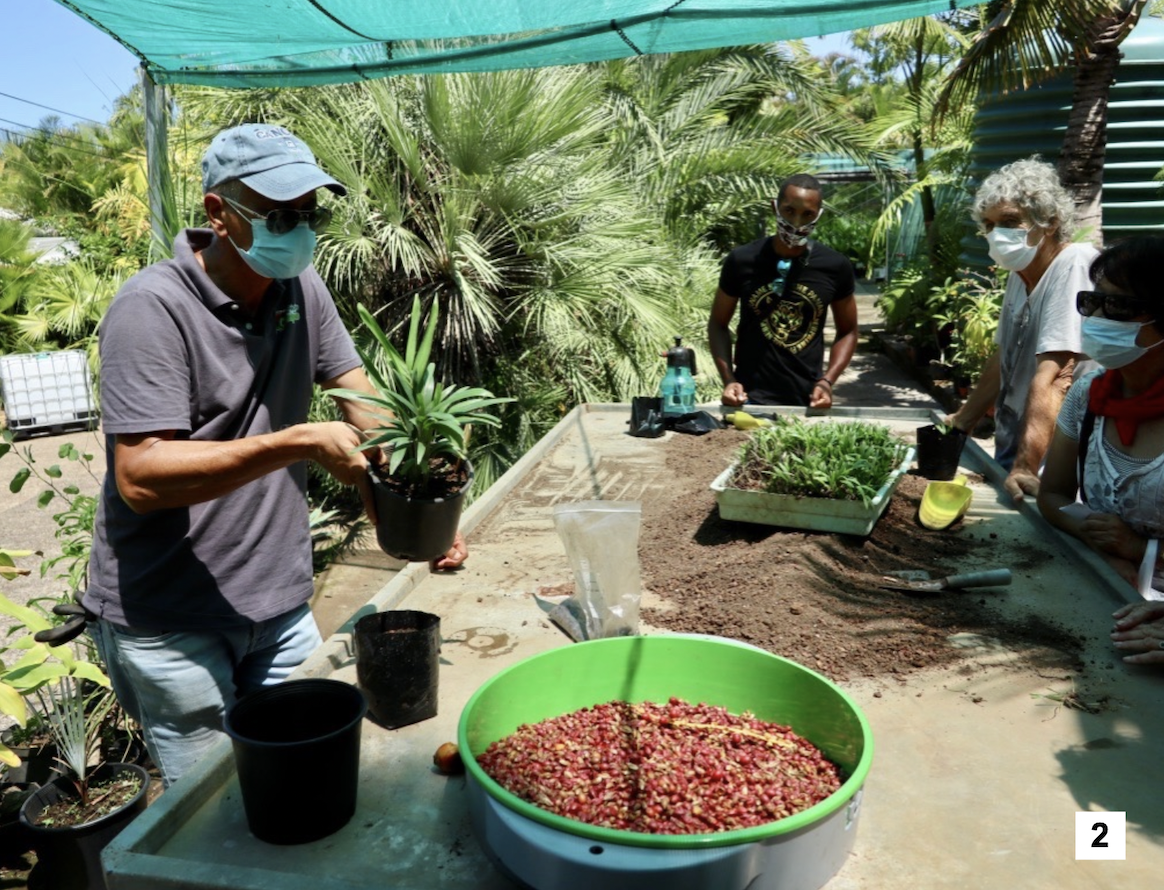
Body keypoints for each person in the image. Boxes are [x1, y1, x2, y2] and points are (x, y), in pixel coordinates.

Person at [81, 123, 466, 787]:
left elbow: (356, 392)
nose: (299, 231)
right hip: (173, 623)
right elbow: (140, 478)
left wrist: (409, 492)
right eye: (280, 214)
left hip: (279, 603)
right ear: (218, 214)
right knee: (217, 805)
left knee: (309, 775)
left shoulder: (299, 289)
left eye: (309, 214)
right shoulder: (151, 309)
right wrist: (297, 442)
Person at [1036, 235, 1164, 665]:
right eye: (1092, 303)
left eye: (1120, 307)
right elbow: (1053, 495)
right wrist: (1091, 531)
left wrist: (1142, 550)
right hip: (1111, 608)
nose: (1098, 318)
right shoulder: (1089, 395)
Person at [947, 156, 1098, 502]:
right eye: (988, 224)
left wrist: (1027, 467)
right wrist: (963, 420)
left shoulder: (1073, 264)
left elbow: (1057, 374)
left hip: (1058, 458)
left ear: (1049, 221)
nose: (996, 233)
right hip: (1017, 443)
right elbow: (1005, 356)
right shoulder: (1021, 274)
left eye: (1010, 221)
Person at [708, 174, 858, 409]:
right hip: (747, 399)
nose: (796, 222)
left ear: (818, 215)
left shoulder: (835, 266)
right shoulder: (742, 260)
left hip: (809, 402)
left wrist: (827, 382)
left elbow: (848, 331)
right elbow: (718, 323)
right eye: (789, 211)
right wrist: (729, 380)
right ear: (774, 207)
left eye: (807, 214)